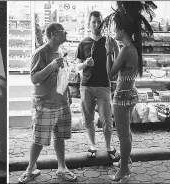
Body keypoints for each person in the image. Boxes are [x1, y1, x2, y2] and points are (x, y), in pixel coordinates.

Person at [97, 2, 156, 181]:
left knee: (123, 135)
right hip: (130, 93)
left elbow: (110, 74)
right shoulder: (132, 48)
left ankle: (123, 169)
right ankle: (125, 159)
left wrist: (108, 52)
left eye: (116, 29)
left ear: (123, 29)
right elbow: (120, 70)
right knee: (126, 132)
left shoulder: (126, 49)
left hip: (122, 96)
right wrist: (115, 51)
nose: (115, 32)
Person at [18, 23, 77, 183]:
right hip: (45, 103)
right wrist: (51, 66)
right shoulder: (41, 53)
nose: (66, 33)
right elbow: (34, 78)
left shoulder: (61, 51)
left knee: (60, 136)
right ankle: (30, 168)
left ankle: (62, 167)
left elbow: (62, 76)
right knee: (39, 138)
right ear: (53, 34)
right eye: (62, 31)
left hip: (61, 102)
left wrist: (68, 96)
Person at [75, 11, 120, 160]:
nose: (96, 25)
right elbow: (77, 67)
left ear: (102, 23)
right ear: (89, 23)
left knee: (107, 119)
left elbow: (116, 62)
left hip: (104, 85)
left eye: (98, 22)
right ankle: (92, 145)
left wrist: (115, 49)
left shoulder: (109, 41)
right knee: (88, 118)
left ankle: (108, 146)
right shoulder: (83, 43)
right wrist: (85, 63)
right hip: (86, 86)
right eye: (93, 22)